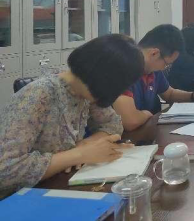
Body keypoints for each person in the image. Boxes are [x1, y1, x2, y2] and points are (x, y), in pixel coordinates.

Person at [0, 34, 144, 195]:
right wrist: (79, 154)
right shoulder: (39, 95)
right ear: (103, 77)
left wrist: (88, 145)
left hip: (55, 186)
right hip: (17, 198)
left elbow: (113, 124)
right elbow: (6, 169)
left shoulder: (84, 92)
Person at [113, 24, 194, 131]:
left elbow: (169, 94)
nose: (164, 68)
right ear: (154, 53)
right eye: (166, 64)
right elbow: (130, 121)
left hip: (149, 129)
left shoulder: (152, 70)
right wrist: (147, 114)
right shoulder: (123, 69)